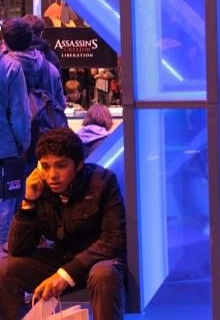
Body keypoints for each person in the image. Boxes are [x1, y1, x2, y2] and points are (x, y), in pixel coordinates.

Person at [0, 127, 126, 320]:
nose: (52, 175)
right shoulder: (41, 187)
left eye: (60, 166)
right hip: (59, 258)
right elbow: (18, 249)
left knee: (104, 276)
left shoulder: (102, 181)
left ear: (78, 164)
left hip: (96, 261)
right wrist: (28, 202)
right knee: (6, 269)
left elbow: (113, 240)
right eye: (46, 166)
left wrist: (66, 274)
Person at [2, 18, 66, 163]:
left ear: (5, 41)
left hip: (14, 149)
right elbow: (60, 105)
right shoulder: (50, 68)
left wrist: (22, 145)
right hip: (46, 142)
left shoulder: (6, 70)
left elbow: (17, 114)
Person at [0, 45, 30, 245]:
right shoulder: (10, 67)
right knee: (5, 210)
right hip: (5, 150)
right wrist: (23, 144)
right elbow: (20, 113)